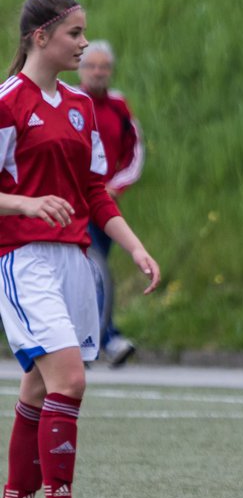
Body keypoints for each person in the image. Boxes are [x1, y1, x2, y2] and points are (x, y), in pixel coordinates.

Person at [0, 0, 161, 498]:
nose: (84, 43)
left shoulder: (81, 106)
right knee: (70, 379)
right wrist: (25, 204)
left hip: (75, 263)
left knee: (40, 388)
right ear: (40, 36)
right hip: (24, 260)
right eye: (74, 34)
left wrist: (136, 248)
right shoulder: (7, 102)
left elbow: (95, 190)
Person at [77, 41, 145, 367]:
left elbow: (135, 153)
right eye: (92, 66)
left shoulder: (119, 107)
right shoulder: (70, 103)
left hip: (102, 202)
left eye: (104, 66)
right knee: (89, 269)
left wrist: (115, 187)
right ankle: (105, 338)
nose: (98, 72)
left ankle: (91, 340)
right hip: (71, 203)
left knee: (95, 269)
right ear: (81, 69)